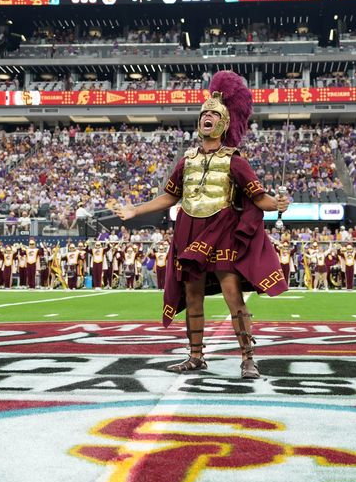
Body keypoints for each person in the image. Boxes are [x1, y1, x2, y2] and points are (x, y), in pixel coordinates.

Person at [113, 71, 289, 379]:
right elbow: (170, 196)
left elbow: (259, 197)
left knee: (232, 293)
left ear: (223, 123)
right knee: (191, 293)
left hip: (222, 230)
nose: (206, 116)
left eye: (213, 114)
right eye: (204, 113)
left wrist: (277, 204)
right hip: (189, 228)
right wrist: (135, 210)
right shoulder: (187, 160)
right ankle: (195, 356)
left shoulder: (236, 160)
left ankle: (248, 359)